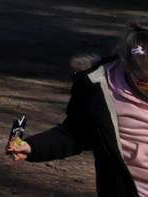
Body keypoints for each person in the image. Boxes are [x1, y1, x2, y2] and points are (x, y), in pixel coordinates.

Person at [8, 21, 148, 190]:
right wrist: (33, 146)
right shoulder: (100, 89)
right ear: (127, 65)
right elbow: (75, 134)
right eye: (145, 84)